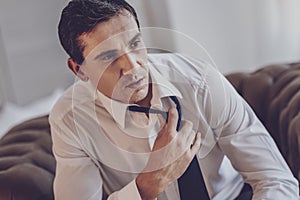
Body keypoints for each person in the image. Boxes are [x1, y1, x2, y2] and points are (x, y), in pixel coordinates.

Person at [49, 0, 299, 199]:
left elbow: (274, 178)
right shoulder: (70, 120)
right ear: (79, 70)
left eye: (135, 43)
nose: (132, 66)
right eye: (108, 57)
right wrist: (148, 183)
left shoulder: (200, 82)